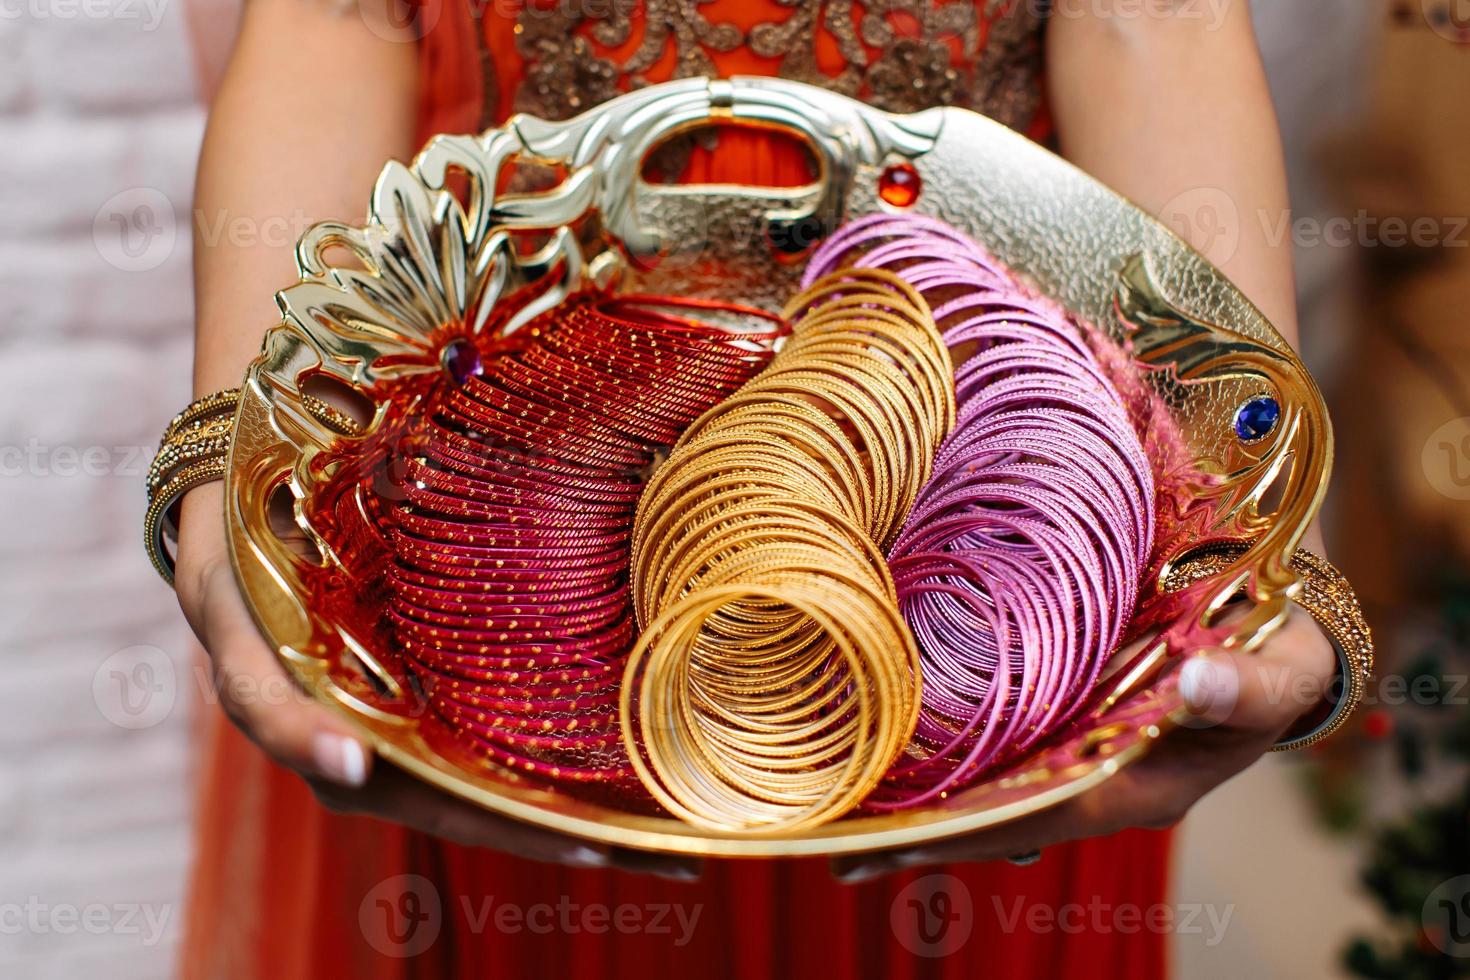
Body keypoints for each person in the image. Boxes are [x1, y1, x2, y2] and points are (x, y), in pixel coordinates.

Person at [171, 1, 1339, 976]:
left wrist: (1256, 496)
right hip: (496, 454)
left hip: (997, 507)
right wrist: (242, 454)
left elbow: (1154, 23)